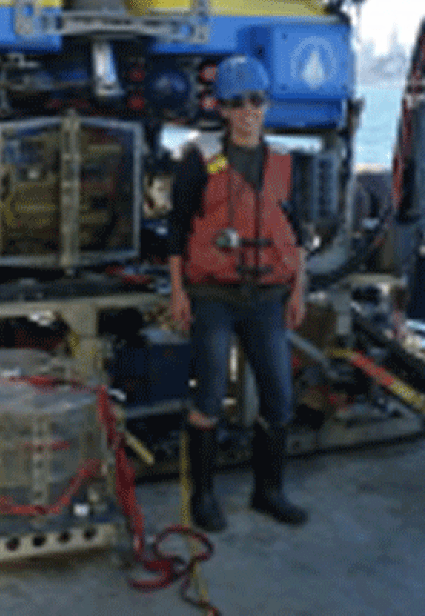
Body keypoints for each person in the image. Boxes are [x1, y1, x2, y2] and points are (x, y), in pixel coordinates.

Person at [167, 54, 309, 531]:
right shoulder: (202, 159)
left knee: (279, 398)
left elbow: (297, 232)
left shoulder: (284, 163)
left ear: (266, 105)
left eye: (256, 101)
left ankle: (269, 491)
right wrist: (178, 293)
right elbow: (177, 230)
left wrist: (297, 291)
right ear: (222, 109)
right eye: (237, 103)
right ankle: (203, 497)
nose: (248, 111)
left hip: (268, 297)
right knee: (208, 397)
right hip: (212, 295)